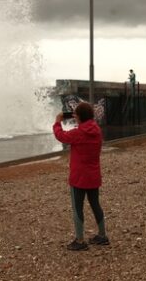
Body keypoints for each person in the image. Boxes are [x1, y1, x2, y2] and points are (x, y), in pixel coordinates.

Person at [53, 102, 109, 251]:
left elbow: (61, 136)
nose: (74, 117)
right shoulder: (97, 130)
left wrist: (58, 122)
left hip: (79, 177)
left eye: (76, 115)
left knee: (78, 208)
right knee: (95, 204)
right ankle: (102, 236)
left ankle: (80, 240)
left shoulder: (78, 133)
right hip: (93, 175)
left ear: (80, 117)